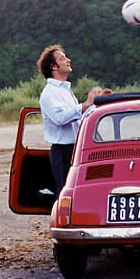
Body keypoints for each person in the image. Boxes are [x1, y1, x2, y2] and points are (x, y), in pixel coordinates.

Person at [36, 45, 109, 197]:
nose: (68, 60)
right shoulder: (50, 93)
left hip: (75, 148)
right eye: (62, 58)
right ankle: (61, 221)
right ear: (53, 66)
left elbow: (78, 119)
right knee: (66, 192)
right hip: (62, 151)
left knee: (78, 191)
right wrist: (86, 104)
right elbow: (61, 118)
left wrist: (96, 102)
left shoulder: (64, 90)